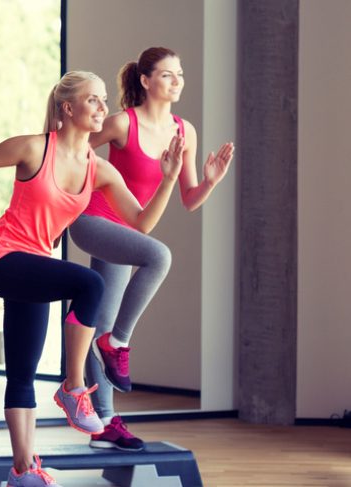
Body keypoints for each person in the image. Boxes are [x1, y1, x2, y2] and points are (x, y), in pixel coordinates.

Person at [0, 71, 183, 486]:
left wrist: (170, 176)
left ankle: (23, 470)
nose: (103, 109)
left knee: (22, 372)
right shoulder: (35, 149)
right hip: (2, 258)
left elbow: (141, 224)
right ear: (68, 108)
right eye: (94, 100)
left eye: (105, 100)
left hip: (33, 269)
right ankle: (74, 387)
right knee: (89, 284)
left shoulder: (99, 170)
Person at [71, 47, 233, 451]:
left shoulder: (185, 131)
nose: (177, 81)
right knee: (158, 255)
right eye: (167, 75)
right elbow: (72, 153)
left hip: (126, 232)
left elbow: (188, 198)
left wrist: (210, 181)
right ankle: (119, 344)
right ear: (145, 81)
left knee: (99, 326)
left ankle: (104, 424)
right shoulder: (122, 123)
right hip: (93, 222)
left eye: (180, 74)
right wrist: (57, 208)